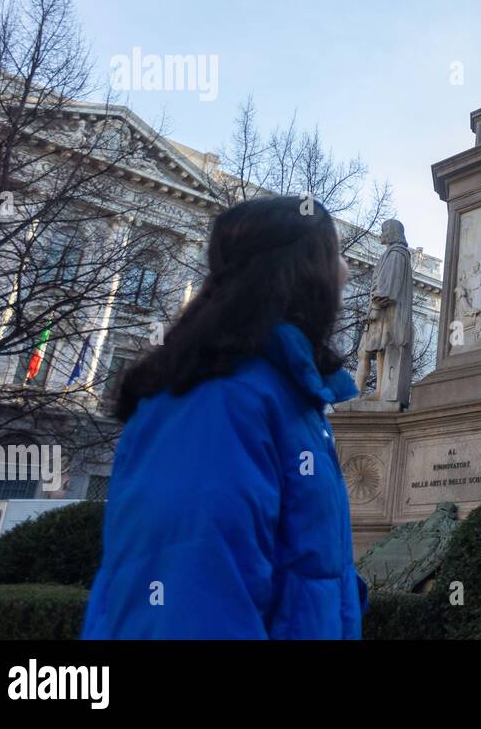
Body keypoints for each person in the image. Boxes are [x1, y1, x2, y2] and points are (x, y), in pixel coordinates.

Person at [83, 196, 365, 639]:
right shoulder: (222, 398)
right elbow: (192, 600)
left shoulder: (287, 398)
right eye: (338, 254)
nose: (347, 271)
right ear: (304, 270)